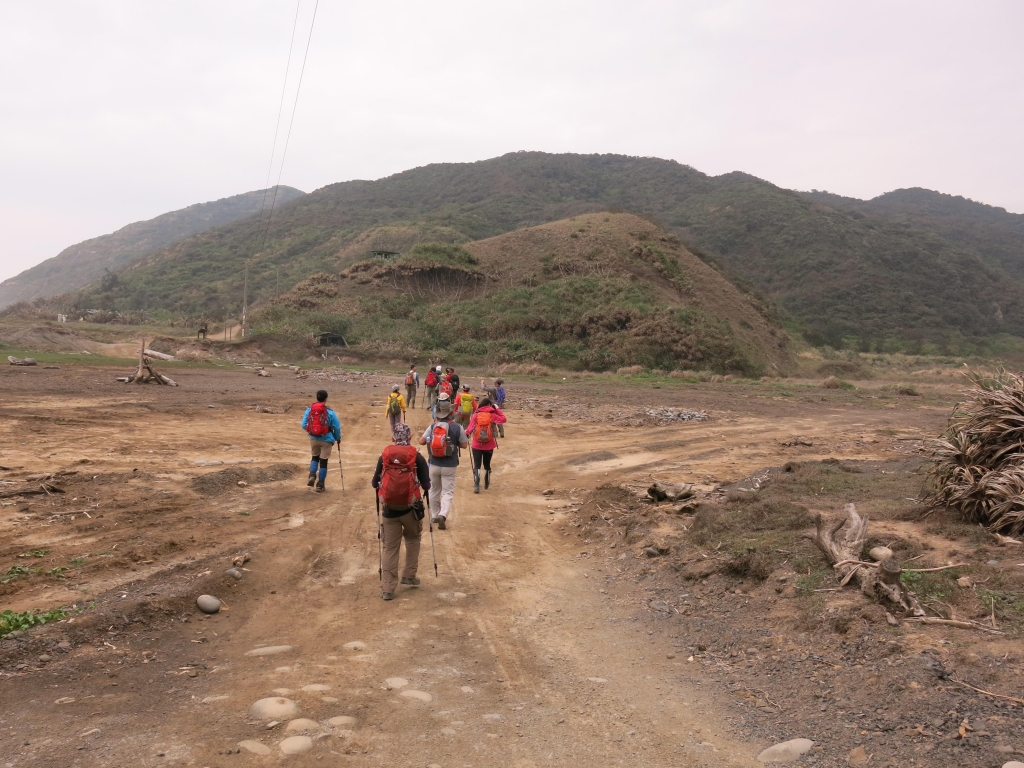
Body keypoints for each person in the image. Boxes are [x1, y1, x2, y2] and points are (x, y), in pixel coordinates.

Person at [371, 423, 431, 601]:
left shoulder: (385, 457)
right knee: (413, 538)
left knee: (390, 547)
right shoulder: (416, 457)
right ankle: (409, 576)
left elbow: (375, 483)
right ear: (410, 438)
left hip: (390, 510)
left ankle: (388, 589)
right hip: (410, 508)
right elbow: (427, 484)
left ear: (393, 438)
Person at [418, 397, 468, 530]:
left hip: (434, 463)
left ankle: (435, 514)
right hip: (450, 465)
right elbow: (464, 445)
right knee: (447, 492)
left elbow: (421, 441)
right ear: (451, 413)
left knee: (434, 490)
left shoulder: (433, 426)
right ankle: (443, 515)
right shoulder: (457, 427)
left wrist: (432, 441)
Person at [301, 389, 342, 493]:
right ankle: (320, 485)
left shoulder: (309, 410)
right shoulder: (330, 412)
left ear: (317, 398)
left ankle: (312, 475)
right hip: (327, 439)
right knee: (323, 462)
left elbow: (303, 424)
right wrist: (337, 438)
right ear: (326, 399)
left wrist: (311, 431)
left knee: (314, 457)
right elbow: (336, 427)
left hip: (313, 438)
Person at [466, 396, 506, 493]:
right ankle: (487, 480)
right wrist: (497, 408)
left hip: (476, 444)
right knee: (487, 464)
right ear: (489, 405)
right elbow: (503, 419)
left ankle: (476, 485)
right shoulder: (492, 415)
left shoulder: (476, 415)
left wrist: (466, 435)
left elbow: (469, 428)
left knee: (477, 464)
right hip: (489, 444)